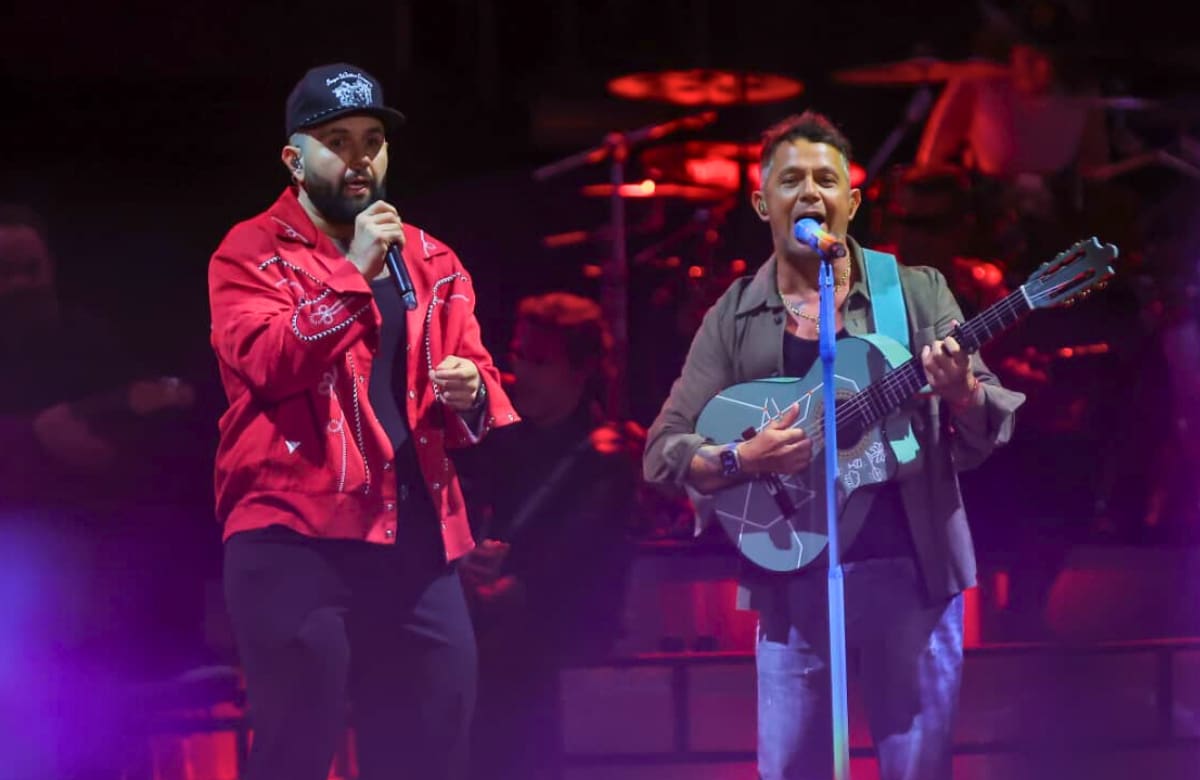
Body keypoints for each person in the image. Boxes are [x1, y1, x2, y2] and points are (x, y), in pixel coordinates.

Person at [643, 111, 1025, 780]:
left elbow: (989, 418)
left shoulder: (914, 292)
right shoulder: (735, 314)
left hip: (912, 577)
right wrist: (742, 459)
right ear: (762, 202)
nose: (811, 193)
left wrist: (961, 390)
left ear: (852, 199)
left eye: (827, 180)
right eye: (791, 180)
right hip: (790, 584)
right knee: (792, 769)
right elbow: (662, 451)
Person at [207, 62, 518, 780]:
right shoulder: (249, 253)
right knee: (295, 749)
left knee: (431, 746)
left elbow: (481, 384)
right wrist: (352, 271)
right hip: (295, 536)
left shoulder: (432, 259)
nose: (360, 159)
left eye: (372, 141)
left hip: (415, 536)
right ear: (295, 160)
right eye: (338, 141)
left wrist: (472, 390)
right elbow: (270, 363)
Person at [456, 291, 642, 780]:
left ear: (581, 371)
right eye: (518, 355)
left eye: (539, 361)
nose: (521, 371)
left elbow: (581, 560)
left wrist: (512, 586)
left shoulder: (605, 455)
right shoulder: (498, 437)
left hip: (559, 636)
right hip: (499, 626)